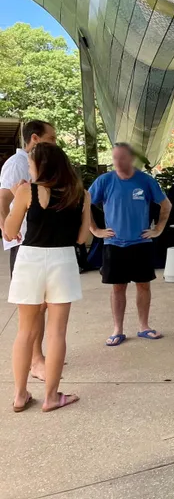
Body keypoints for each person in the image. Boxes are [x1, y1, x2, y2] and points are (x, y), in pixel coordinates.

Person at [5, 143, 90, 412]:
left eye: (31, 164)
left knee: (25, 332)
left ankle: (20, 395)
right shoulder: (79, 194)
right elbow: (81, 238)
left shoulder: (26, 191)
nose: (29, 168)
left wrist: (15, 199)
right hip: (63, 260)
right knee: (56, 333)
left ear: (40, 166)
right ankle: (52, 397)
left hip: (30, 259)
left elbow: (9, 232)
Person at [89, 143, 172, 346]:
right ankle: (118, 329)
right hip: (114, 243)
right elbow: (85, 203)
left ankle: (144, 326)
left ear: (131, 159)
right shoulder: (105, 181)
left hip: (140, 242)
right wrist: (95, 230)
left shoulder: (145, 181)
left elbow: (166, 205)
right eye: (115, 158)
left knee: (143, 285)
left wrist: (158, 229)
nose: (118, 162)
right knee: (118, 287)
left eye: (122, 158)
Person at [0, 119, 57, 382]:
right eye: (51, 138)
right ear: (35, 138)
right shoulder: (17, 163)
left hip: (39, 241)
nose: (54, 143)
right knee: (32, 307)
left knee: (42, 305)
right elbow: (3, 199)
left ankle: (38, 356)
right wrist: (7, 230)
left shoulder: (41, 162)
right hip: (24, 243)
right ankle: (35, 360)